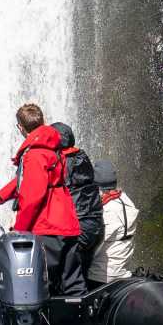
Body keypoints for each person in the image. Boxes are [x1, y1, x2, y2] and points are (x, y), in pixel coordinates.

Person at [0, 103, 85, 296]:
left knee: (42, 286)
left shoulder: (35, 153)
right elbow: (26, 180)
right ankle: (84, 323)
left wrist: (19, 232)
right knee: (72, 284)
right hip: (66, 222)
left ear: (20, 127)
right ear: (42, 121)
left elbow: (32, 197)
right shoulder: (52, 147)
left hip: (47, 226)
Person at [50, 122, 104, 284]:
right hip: (95, 227)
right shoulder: (82, 157)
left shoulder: (62, 162)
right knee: (81, 276)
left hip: (76, 229)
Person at [87, 159, 139, 290]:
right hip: (123, 275)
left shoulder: (106, 211)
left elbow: (91, 248)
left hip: (99, 278)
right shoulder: (127, 202)